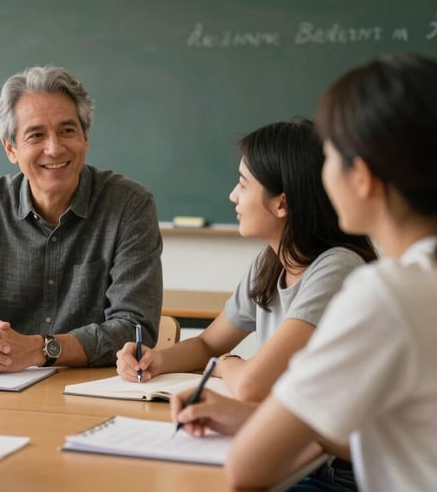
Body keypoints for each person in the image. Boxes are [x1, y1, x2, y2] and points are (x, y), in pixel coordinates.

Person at [170, 53, 437, 491]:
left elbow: (247, 470)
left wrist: (253, 407)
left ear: (364, 177)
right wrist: (256, 416)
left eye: (330, 155)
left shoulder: (387, 294)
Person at [0, 65, 163, 373]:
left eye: (67, 131)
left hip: (95, 390)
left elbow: (134, 328)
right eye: (36, 135)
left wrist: (41, 349)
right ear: (11, 149)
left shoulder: (129, 205)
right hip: (4, 391)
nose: (55, 148)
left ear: (85, 138)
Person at [117, 120, 377, 401]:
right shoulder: (271, 263)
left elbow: (252, 385)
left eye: (243, 184)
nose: (232, 195)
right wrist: (155, 359)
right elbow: (207, 344)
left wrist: (226, 364)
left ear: (281, 203)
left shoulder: (337, 269)